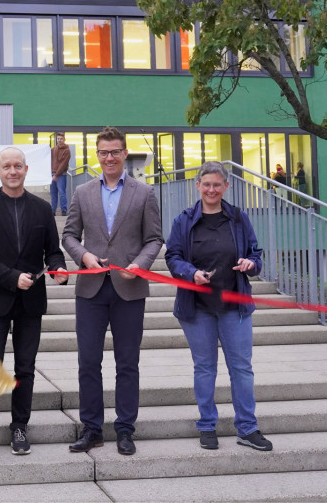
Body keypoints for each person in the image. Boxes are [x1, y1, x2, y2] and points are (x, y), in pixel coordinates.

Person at [62, 126, 163, 456]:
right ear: (97, 155)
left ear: (124, 153)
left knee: (127, 363)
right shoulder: (82, 193)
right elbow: (69, 236)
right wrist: (84, 256)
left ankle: (124, 429)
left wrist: (140, 263)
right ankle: (92, 428)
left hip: (129, 290)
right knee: (88, 362)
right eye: (103, 152)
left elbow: (154, 239)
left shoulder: (144, 193)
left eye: (115, 151)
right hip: (91, 289)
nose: (109, 157)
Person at [165, 161, 273, 452]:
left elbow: (256, 254)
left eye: (217, 184)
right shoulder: (184, 220)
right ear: (197, 186)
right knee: (204, 368)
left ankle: (247, 428)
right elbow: (172, 257)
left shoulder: (238, 218)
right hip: (196, 307)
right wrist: (191, 273)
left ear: (226, 187)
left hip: (234, 308)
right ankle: (207, 426)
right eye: (206, 184)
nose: (211, 189)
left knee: (241, 368)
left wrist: (251, 263)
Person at [0, 147, 68, 459]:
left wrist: (58, 268)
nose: (13, 171)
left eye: (18, 166)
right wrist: (12, 278)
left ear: (26, 170)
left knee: (25, 368)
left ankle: (20, 426)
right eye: (7, 166)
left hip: (31, 302)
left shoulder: (41, 208)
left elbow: (53, 250)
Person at [50, 132, 71, 216]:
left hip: (61, 175)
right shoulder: (53, 149)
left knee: (62, 193)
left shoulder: (67, 150)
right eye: (58, 139)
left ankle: (64, 210)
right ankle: (53, 210)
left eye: (61, 139)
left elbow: (63, 164)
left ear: (64, 139)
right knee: (53, 193)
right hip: (52, 174)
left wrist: (56, 175)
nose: (59, 140)